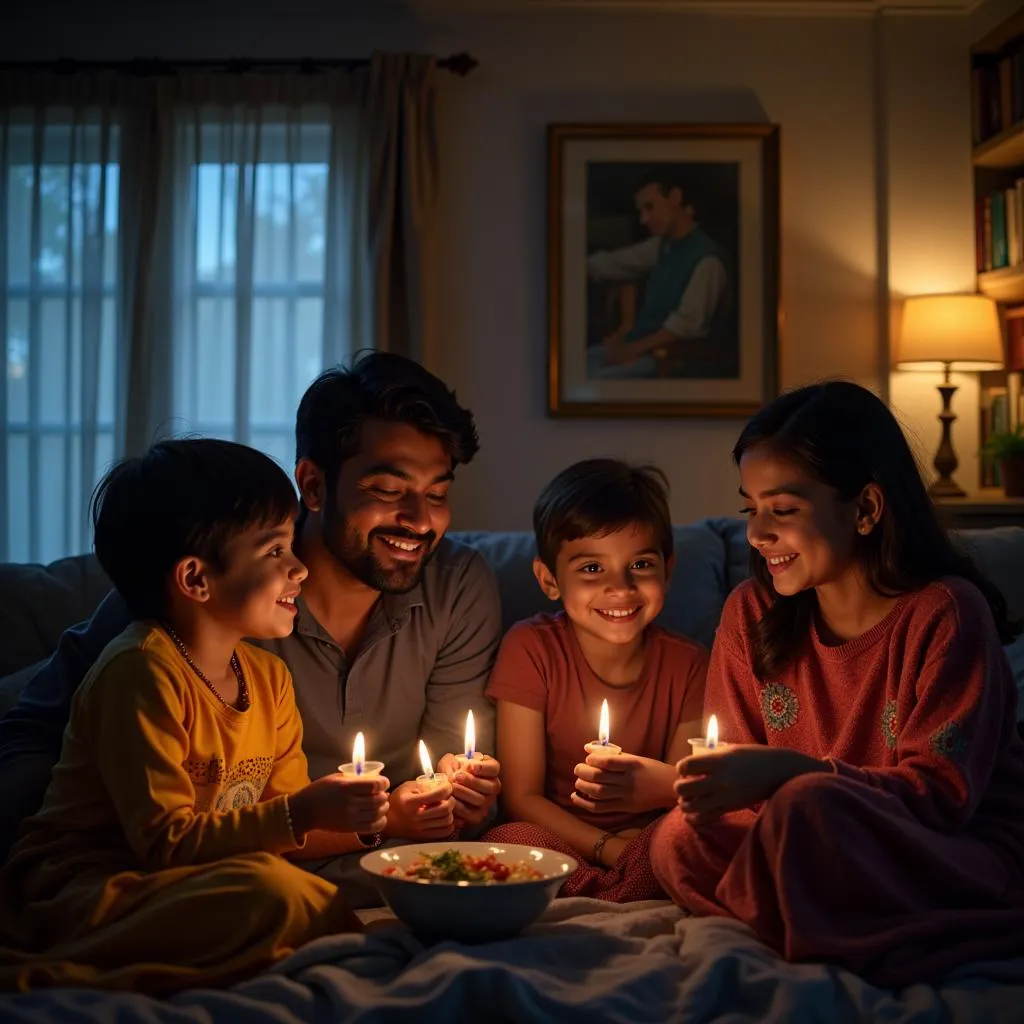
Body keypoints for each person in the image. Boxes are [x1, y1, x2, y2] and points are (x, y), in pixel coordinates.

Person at [0, 353, 503, 897]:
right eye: (387, 490)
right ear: (312, 486)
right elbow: (40, 723)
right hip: (177, 875)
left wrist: (455, 797)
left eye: (437, 493)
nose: (421, 520)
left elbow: (456, 794)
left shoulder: (456, 586)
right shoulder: (209, 591)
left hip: (342, 863)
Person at [649, 380, 1024, 986]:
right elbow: (738, 790)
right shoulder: (751, 614)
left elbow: (942, 799)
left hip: (939, 849)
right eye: (750, 508)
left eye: (784, 509)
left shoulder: (947, 613)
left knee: (806, 805)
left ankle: (814, 927)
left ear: (866, 508)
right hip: (802, 838)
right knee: (676, 838)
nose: (757, 533)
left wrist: (790, 775)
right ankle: (822, 925)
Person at [0, 439, 391, 992]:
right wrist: (305, 812)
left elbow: (277, 824)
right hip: (90, 888)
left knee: (290, 890)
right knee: (273, 894)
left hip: (189, 880)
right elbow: (166, 843)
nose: (300, 567)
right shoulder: (139, 672)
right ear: (195, 579)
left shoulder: (269, 679)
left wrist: (355, 811)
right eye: (275, 550)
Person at [483, 459, 708, 901]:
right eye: (591, 569)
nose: (620, 587)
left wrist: (637, 843)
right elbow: (522, 797)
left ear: (668, 566)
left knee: (689, 837)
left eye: (641, 564)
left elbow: (677, 794)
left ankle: (608, 894)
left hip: (645, 838)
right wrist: (607, 849)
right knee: (511, 836)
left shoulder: (691, 665)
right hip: (559, 839)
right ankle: (622, 892)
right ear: (549, 579)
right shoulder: (531, 648)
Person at [587, 169, 731, 378]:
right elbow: (616, 263)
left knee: (589, 377)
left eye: (650, 207)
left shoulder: (707, 260)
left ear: (674, 198)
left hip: (664, 360)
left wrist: (629, 349)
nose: (644, 219)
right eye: (641, 211)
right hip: (638, 349)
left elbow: (685, 327)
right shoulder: (662, 246)